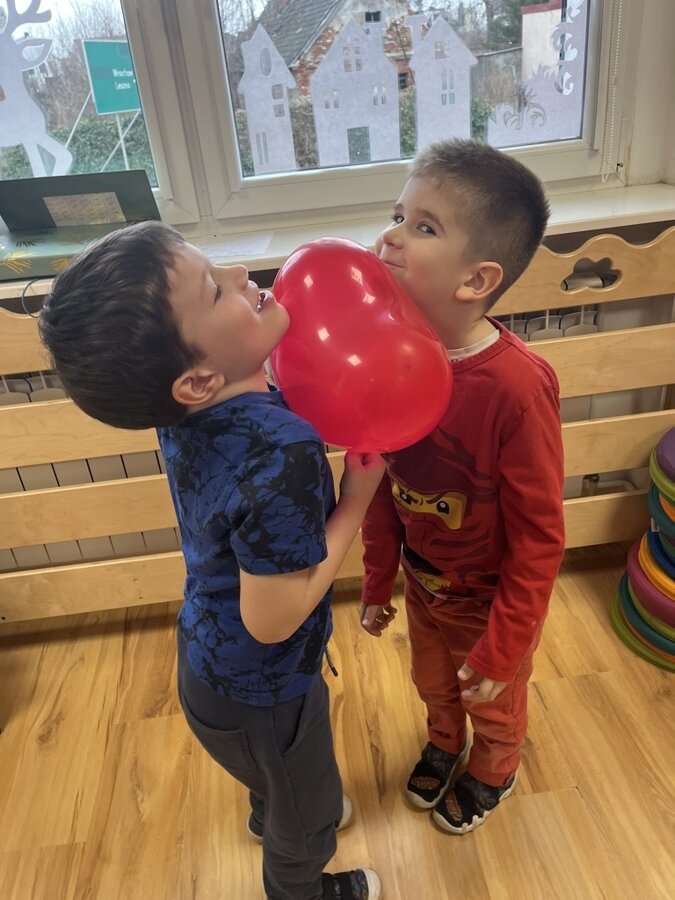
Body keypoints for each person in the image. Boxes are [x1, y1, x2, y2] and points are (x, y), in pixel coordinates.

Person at [39, 221, 385, 900]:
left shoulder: (184, 413)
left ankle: (273, 803)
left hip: (208, 662)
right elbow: (273, 622)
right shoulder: (282, 451)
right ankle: (301, 881)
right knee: (310, 817)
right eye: (214, 289)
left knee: (275, 777)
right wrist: (356, 499)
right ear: (197, 380)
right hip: (264, 689)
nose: (239, 275)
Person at [359, 139, 565, 835]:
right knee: (431, 681)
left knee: (493, 698)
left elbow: (540, 536)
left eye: (423, 226)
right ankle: (444, 742)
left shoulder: (516, 388)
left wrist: (505, 645)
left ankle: (495, 766)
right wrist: (376, 580)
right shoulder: (387, 362)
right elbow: (381, 484)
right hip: (424, 586)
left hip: (490, 603)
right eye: (396, 215)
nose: (390, 236)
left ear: (476, 280)